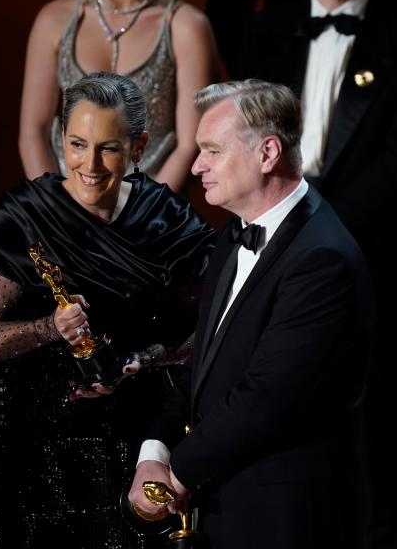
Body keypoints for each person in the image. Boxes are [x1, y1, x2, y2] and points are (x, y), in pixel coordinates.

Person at [231, 0, 397, 544]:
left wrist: (314, 227)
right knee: (272, 418)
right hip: (270, 253)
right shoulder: (267, 30)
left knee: (372, 432)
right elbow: (242, 141)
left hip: (365, 256)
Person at [0, 72, 215, 547]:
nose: (89, 164)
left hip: (136, 440)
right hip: (33, 442)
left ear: (138, 147)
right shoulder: (20, 217)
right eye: (77, 144)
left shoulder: (170, 221)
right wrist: (47, 327)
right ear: (61, 139)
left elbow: (212, 334)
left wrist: (151, 357)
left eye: (109, 148)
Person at [127, 79, 374, 548]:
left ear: (267, 153)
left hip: (286, 518)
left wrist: (175, 474)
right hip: (225, 501)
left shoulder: (323, 259)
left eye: (211, 151)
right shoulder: (233, 235)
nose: (197, 165)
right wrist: (152, 452)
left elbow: (267, 396)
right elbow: (203, 368)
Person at [18, 0, 219, 192]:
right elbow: (33, 133)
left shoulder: (185, 26)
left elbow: (190, 145)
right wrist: (56, 215)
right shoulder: (54, 21)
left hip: (151, 213)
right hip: (62, 211)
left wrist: (139, 223)